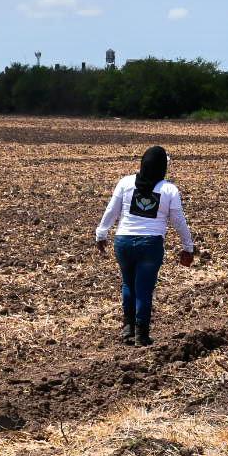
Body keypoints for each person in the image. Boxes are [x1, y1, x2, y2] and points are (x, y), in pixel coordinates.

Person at [96, 146, 196, 346]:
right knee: (144, 288)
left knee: (128, 283)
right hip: (150, 244)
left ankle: (128, 328)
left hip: (123, 241)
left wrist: (101, 233)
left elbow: (111, 210)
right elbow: (179, 221)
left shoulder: (125, 183)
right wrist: (188, 246)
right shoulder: (169, 190)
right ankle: (141, 334)